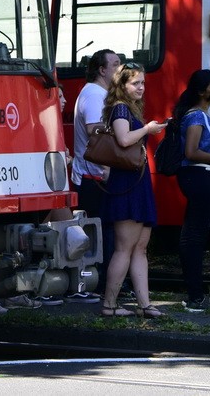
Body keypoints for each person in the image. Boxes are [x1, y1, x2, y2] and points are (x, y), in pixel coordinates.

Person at [100, 62, 167, 318]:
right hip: (127, 183)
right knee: (125, 247)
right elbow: (124, 139)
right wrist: (148, 129)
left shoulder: (129, 108)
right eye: (135, 83)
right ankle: (109, 305)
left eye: (142, 83)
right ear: (122, 85)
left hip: (136, 182)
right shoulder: (120, 109)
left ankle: (145, 304)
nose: (141, 88)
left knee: (139, 247)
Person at [172, 69, 210, 313]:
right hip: (198, 175)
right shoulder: (196, 117)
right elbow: (191, 152)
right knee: (194, 236)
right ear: (201, 91)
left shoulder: (200, 115)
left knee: (194, 235)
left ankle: (195, 294)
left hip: (200, 175)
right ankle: (196, 297)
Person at [69, 48, 121, 304]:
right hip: (93, 177)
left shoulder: (98, 93)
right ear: (102, 70)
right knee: (94, 237)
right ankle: (89, 286)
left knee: (98, 235)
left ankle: (99, 286)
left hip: (94, 176)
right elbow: (93, 130)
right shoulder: (94, 93)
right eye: (115, 64)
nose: (119, 69)